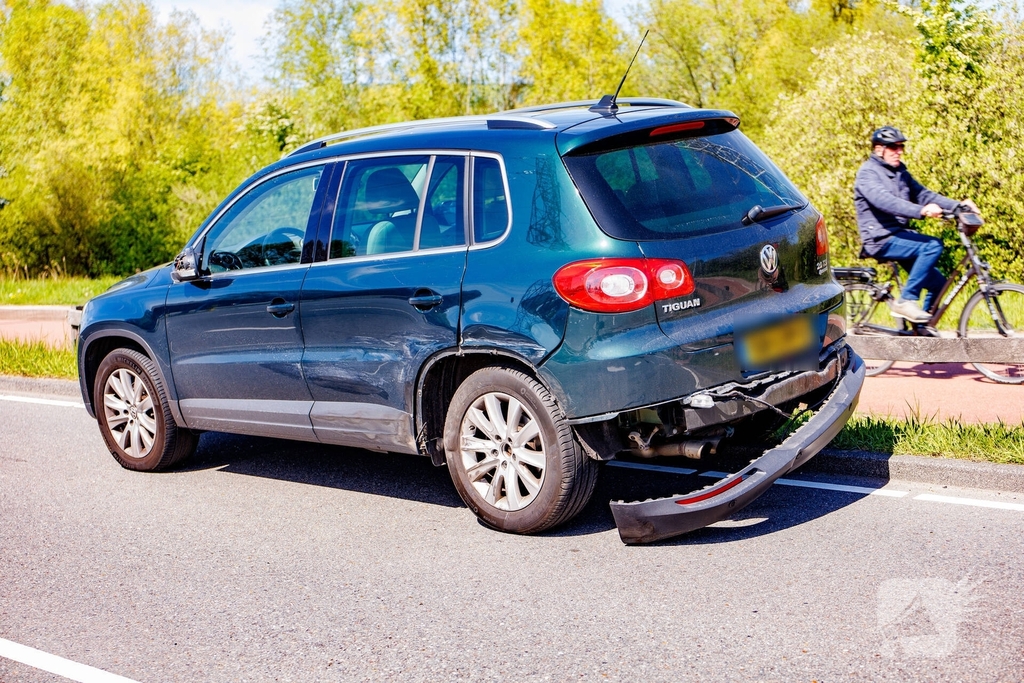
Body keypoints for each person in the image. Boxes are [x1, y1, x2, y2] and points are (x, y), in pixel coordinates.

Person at [853, 126, 978, 323]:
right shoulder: (867, 173)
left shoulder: (900, 172)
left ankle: (921, 328)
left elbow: (924, 194)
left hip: (898, 235)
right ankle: (906, 301)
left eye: (901, 146)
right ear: (879, 149)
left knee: (939, 284)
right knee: (932, 245)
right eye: (893, 147)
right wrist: (921, 210)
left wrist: (959, 206)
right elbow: (885, 201)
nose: (899, 151)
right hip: (879, 238)